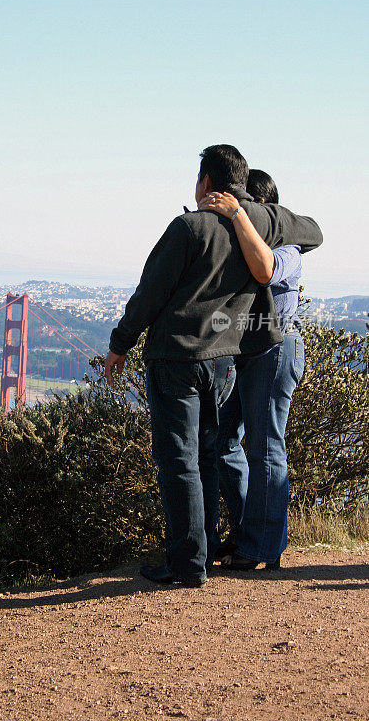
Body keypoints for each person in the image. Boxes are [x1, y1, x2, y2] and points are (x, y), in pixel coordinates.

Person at [105, 145, 323, 587]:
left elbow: (150, 295)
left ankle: (189, 563)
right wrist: (253, 214)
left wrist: (120, 343)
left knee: (179, 460)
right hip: (223, 360)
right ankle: (203, 555)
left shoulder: (189, 227)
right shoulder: (261, 221)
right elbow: (313, 230)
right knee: (209, 452)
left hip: (178, 358)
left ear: (206, 183)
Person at [199, 170, 305, 570]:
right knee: (223, 440)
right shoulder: (239, 241)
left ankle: (262, 548)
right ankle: (249, 533)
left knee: (264, 448)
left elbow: (265, 269)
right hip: (243, 352)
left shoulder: (290, 250)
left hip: (277, 349)